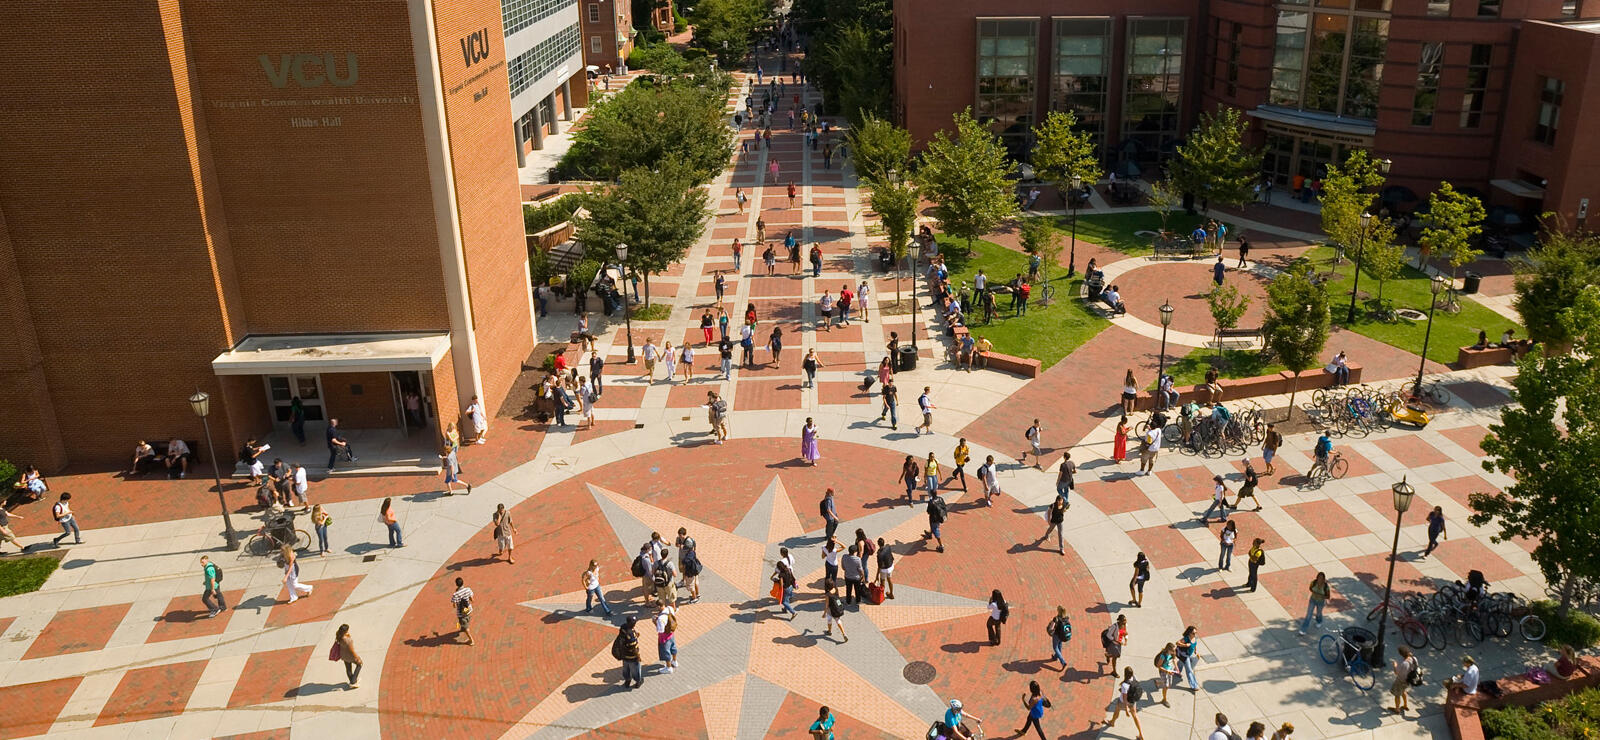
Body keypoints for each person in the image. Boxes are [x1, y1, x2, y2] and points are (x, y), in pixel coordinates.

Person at [1106, 667, 1145, 738]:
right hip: (1132, 701)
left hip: (1123, 702)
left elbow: (1124, 698)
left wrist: (1126, 709)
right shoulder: (1134, 678)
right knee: (1135, 716)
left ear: (1125, 674)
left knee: (1117, 711)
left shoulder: (1124, 685)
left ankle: (1112, 722)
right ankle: (1141, 734)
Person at [1392, 646, 1419, 713]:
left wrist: (1395, 665)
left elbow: (1396, 673)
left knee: (1397, 695)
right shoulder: (1414, 659)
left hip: (1401, 681)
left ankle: (1397, 709)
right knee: (1404, 691)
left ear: (1401, 654)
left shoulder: (1404, 664)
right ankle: (1405, 705)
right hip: (1408, 680)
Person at [334, 624, 363, 689]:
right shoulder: (347, 640)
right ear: (346, 631)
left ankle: (352, 680)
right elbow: (352, 650)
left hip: (344, 655)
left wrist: (347, 636)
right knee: (360, 664)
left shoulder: (339, 636)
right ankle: (353, 682)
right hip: (350, 656)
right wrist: (357, 658)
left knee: (348, 669)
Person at [773, 548, 798, 618]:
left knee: (783, 602)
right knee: (787, 599)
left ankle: (793, 612)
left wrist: (776, 581)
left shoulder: (781, 575)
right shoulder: (788, 570)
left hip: (786, 588)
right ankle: (785, 609)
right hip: (790, 587)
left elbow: (781, 584)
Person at [451, 577, 475, 646]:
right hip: (469, 610)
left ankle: (471, 640)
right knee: (466, 619)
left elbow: (454, 606)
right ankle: (462, 627)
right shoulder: (468, 589)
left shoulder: (455, 595)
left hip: (461, 613)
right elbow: (472, 600)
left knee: (465, 627)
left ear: (456, 584)